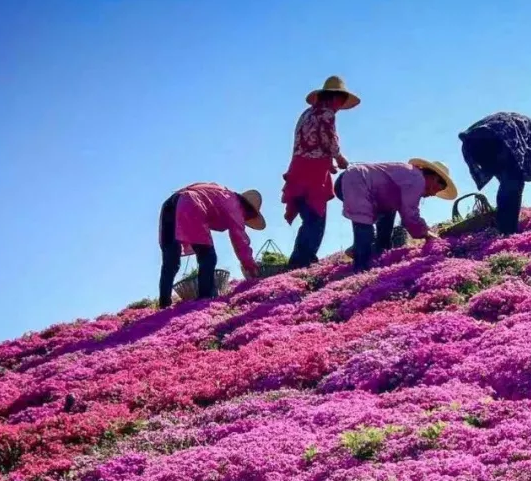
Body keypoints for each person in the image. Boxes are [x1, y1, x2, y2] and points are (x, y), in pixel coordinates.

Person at [281, 75, 360, 269]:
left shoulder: (306, 114)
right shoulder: (327, 114)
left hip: (298, 169)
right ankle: (304, 260)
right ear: (334, 97)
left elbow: (308, 144)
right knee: (316, 218)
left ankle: (299, 259)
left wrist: (330, 163)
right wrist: (341, 160)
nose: (340, 105)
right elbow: (329, 142)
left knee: (308, 218)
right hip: (313, 173)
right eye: (341, 100)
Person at [458, 112, 531, 235]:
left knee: (507, 179)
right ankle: (506, 231)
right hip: (500, 137)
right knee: (514, 181)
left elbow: (519, 160)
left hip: (473, 141)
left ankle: (501, 225)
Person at [335, 159, 458, 271]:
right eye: (438, 188)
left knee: (388, 213)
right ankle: (361, 267)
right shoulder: (417, 179)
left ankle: (377, 252)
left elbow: (404, 209)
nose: (434, 193)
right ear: (434, 178)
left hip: (360, 185)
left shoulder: (412, 176)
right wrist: (426, 233)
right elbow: (409, 214)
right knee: (365, 229)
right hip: (355, 181)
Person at [158, 182, 266, 308]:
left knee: (171, 262)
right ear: (248, 210)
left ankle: (164, 303)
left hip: (170, 205)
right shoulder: (235, 205)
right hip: (191, 204)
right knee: (208, 257)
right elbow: (240, 239)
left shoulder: (223, 195)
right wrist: (249, 265)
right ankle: (205, 298)